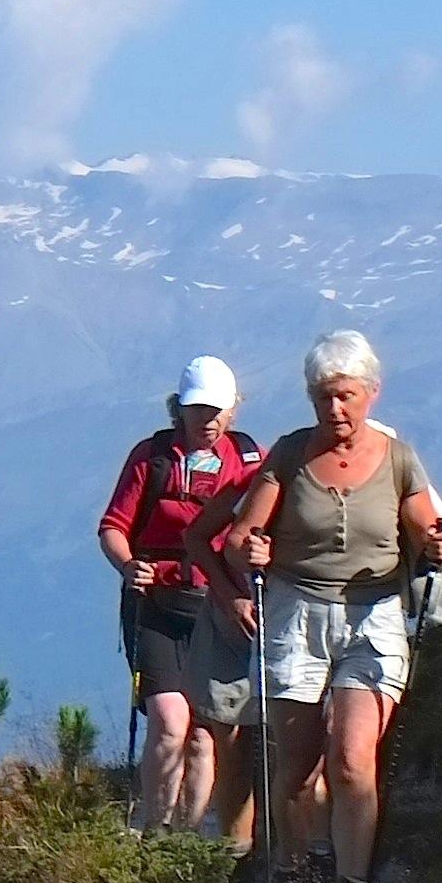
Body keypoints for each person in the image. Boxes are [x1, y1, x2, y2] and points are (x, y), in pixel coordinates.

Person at [218, 330, 442, 883]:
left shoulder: (397, 459)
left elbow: (429, 531)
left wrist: (438, 547)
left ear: (371, 394)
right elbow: (239, 536)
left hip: (373, 619)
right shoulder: (290, 456)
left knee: (354, 762)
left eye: (346, 395)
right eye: (324, 396)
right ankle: (292, 874)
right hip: (296, 615)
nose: (334, 408)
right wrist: (251, 548)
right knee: (298, 767)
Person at [96, 356, 264, 835]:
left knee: (205, 734)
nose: (208, 420)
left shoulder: (249, 460)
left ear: (233, 409)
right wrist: (128, 565)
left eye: (217, 410)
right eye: (198, 410)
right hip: (155, 604)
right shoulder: (152, 458)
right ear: (180, 409)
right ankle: (156, 829)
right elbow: (113, 527)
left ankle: (189, 840)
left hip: (216, 605)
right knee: (170, 721)